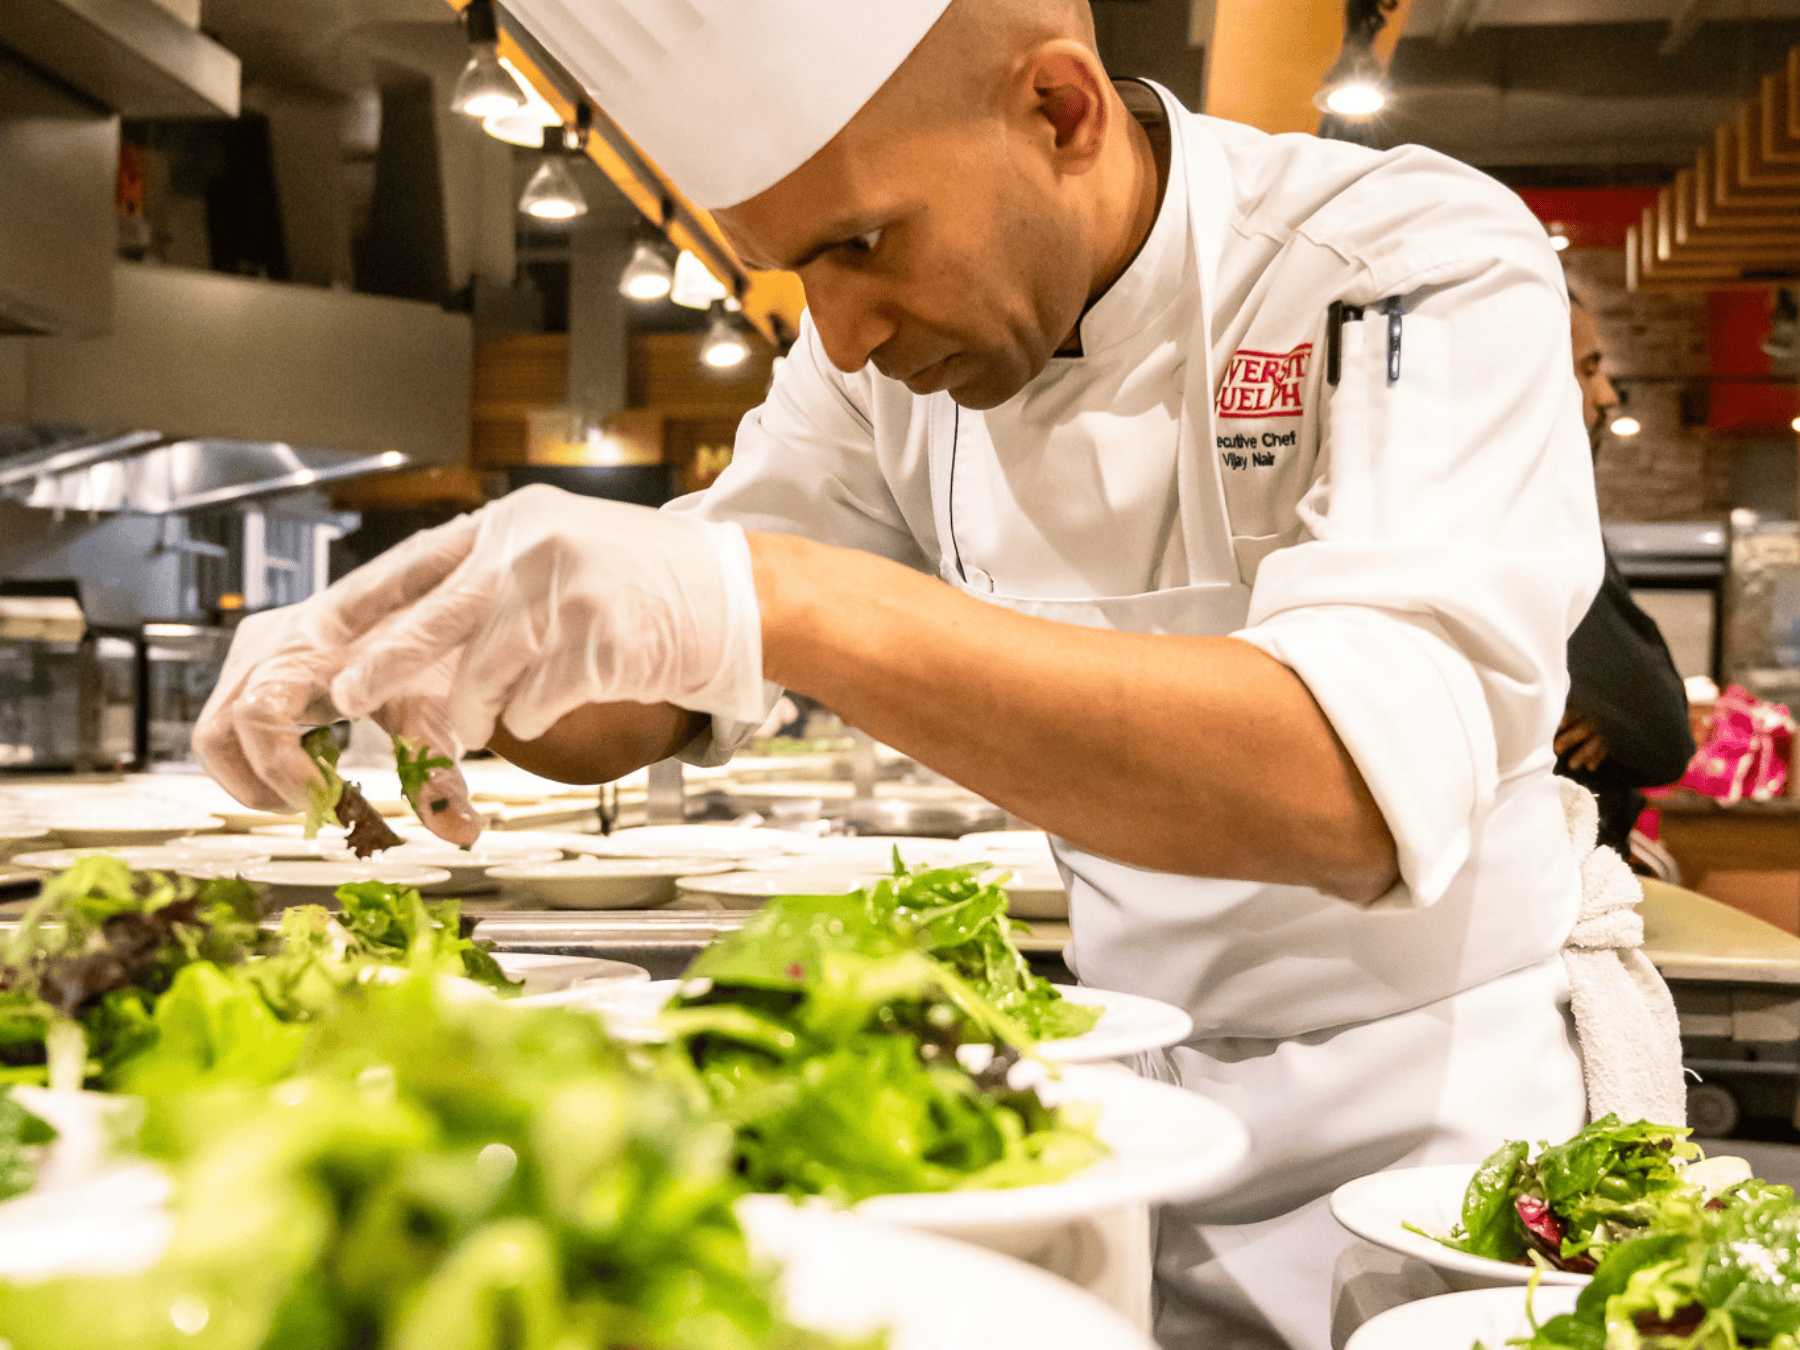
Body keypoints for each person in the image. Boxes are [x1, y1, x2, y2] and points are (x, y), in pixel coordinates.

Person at [195, 3, 1625, 1346]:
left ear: (1060, 108)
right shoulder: (876, 368)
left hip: (1448, 1155)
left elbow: (1347, 787)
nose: (841, 329)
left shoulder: (1402, 260)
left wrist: (777, 598)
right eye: (802, 267)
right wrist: (441, 643)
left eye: (865, 241)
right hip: (1129, 1120)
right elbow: (652, 690)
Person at [1557, 297, 1695, 857]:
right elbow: (1664, 736)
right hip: (1554, 882)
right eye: (1588, 369)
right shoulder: (1538, 520)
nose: (1608, 395)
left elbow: (1651, 724)